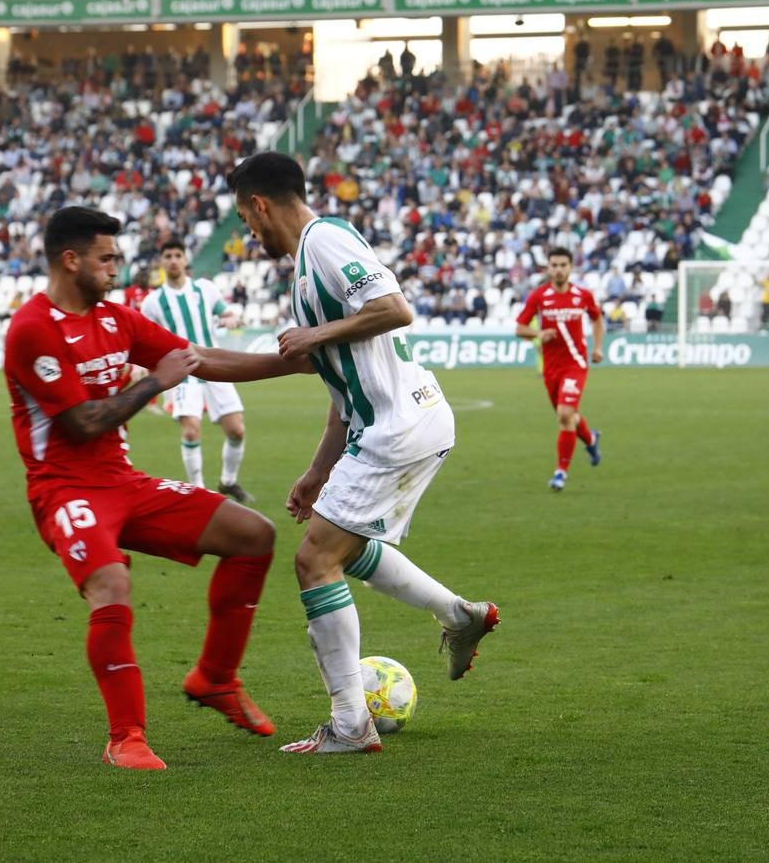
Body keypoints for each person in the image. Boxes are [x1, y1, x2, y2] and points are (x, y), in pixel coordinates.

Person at [2, 207, 301, 771]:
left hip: (123, 482)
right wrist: (159, 383)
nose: (117, 268)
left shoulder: (116, 319)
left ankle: (214, 677)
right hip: (64, 491)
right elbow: (84, 423)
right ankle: (126, 738)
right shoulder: (32, 329)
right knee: (111, 582)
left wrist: (290, 365)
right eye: (107, 258)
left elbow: (196, 358)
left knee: (252, 534)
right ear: (71, 260)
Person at [223, 151, 500, 754]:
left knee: (314, 560)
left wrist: (314, 334)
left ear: (260, 204)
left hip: (398, 426)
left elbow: (395, 308)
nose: (250, 232)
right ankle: (459, 616)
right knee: (344, 549)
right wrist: (318, 469)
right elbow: (343, 385)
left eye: (247, 219)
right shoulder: (306, 267)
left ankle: (350, 724)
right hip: (401, 421)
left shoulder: (324, 240)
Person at [140, 239, 254, 503]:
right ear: (161, 261)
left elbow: (226, 313)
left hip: (215, 366)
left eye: (177, 255)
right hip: (181, 372)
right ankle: (199, 492)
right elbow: (144, 339)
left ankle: (228, 481)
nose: (173, 260)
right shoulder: (153, 302)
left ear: (185, 259)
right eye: (167, 255)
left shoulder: (205, 289)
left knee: (236, 430)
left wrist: (231, 317)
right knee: (191, 430)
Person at [514, 247, 604, 492]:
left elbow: (597, 318)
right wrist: (539, 333)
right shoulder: (539, 296)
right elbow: (520, 328)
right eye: (554, 265)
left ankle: (560, 473)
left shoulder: (583, 295)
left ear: (571, 267)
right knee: (569, 416)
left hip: (575, 365)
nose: (558, 269)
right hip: (551, 369)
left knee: (565, 415)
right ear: (548, 267)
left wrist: (597, 348)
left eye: (563, 264)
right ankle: (592, 439)